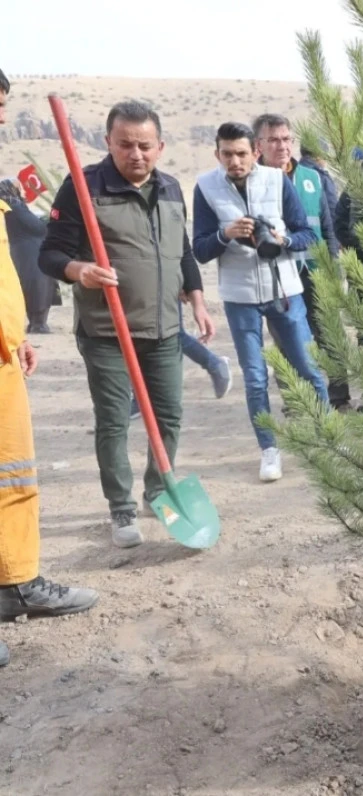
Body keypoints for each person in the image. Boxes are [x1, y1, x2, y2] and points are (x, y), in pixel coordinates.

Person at [39, 101, 216, 548]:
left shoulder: (173, 188)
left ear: (160, 146)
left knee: (170, 415)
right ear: (108, 142)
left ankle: (159, 490)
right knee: (114, 421)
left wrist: (196, 300)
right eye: (124, 144)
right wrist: (81, 271)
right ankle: (121, 510)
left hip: (164, 329)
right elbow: (50, 254)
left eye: (144, 145)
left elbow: (183, 254)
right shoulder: (82, 188)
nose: (135, 154)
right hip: (107, 332)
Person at [0, 67, 99, 667]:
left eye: (3, 105)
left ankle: (17, 581)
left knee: (12, 473)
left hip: (3, 353)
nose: (1, 117)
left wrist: (15, 332)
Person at [192, 122, 328, 482]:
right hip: (240, 297)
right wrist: (225, 234)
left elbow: (306, 235)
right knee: (255, 378)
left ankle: (329, 438)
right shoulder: (205, 187)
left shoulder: (276, 179)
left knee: (309, 368)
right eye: (226, 154)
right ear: (216, 154)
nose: (234, 161)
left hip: (285, 291)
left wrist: (283, 240)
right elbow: (200, 249)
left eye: (241, 153)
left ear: (255, 151)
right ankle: (269, 450)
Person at [253, 114, 347, 410]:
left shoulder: (312, 177)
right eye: (274, 140)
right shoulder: (253, 181)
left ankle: (339, 397)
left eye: (286, 139)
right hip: (279, 273)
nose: (282, 146)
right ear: (258, 145)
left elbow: (328, 227)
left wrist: (333, 267)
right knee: (286, 338)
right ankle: (296, 402)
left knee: (329, 333)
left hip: (316, 269)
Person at [0, 178, 57, 333]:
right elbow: (37, 227)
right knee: (38, 286)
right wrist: (49, 221)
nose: (23, 190)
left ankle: (35, 323)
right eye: (19, 187)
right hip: (30, 252)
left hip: (24, 251)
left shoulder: (10, 205)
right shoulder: (14, 206)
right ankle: (38, 324)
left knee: (33, 286)